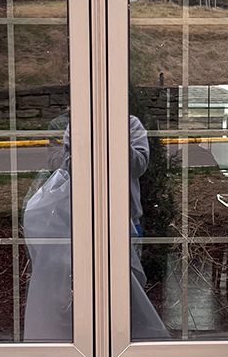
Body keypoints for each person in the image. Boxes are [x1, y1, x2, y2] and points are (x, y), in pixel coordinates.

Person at [21, 113, 169, 342]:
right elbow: (60, 165)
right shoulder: (74, 124)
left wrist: (115, 139)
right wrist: (80, 149)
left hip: (125, 218)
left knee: (128, 281)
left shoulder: (131, 124)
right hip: (81, 219)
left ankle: (124, 338)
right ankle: (87, 338)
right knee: (83, 281)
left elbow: (140, 165)